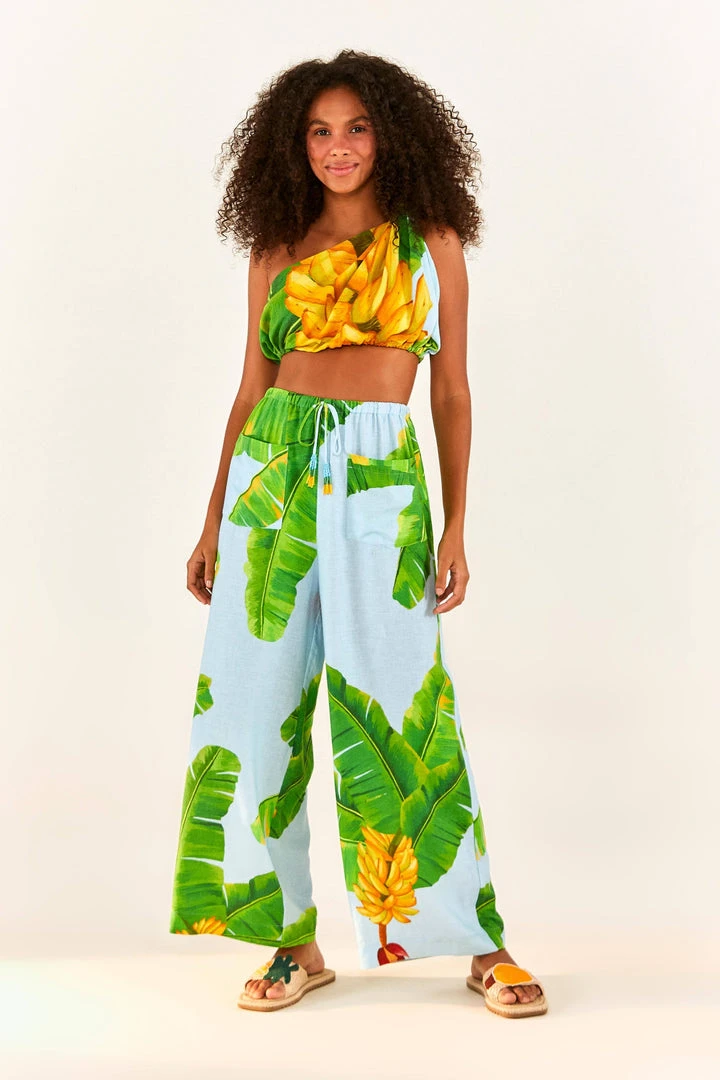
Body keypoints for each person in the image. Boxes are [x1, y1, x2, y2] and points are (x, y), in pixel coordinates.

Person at [168, 48, 547, 1019]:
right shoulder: (277, 246)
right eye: (319, 132)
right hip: (272, 476)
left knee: (403, 701)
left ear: (392, 135)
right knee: (255, 705)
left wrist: (457, 523)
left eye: (356, 128)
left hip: (380, 473)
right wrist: (212, 520)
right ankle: (293, 942)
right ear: (294, 145)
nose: (337, 147)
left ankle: (479, 940)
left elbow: (451, 393)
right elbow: (250, 391)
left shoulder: (431, 243)